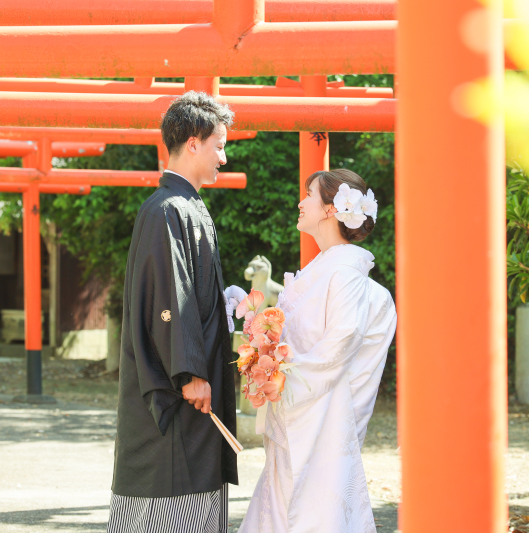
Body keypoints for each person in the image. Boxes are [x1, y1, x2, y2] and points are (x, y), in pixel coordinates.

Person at [107, 92, 238, 533]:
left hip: (191, 386)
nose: (224, 155)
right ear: (193, 142)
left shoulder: (185, 206)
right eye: (219, 144)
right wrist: (189, 374)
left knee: (191, 487)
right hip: (178, 390)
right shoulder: (167, 210)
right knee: (171, 493)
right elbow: (170, 300)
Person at [239, 169, 397, 533]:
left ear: (330, 210)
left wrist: (280, 373)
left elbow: (339, 346)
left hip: (319, 416)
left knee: (309, 514)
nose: (300, 201)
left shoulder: (343, 273)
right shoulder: (323, 268)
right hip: (299, 411)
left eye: (308, 194)